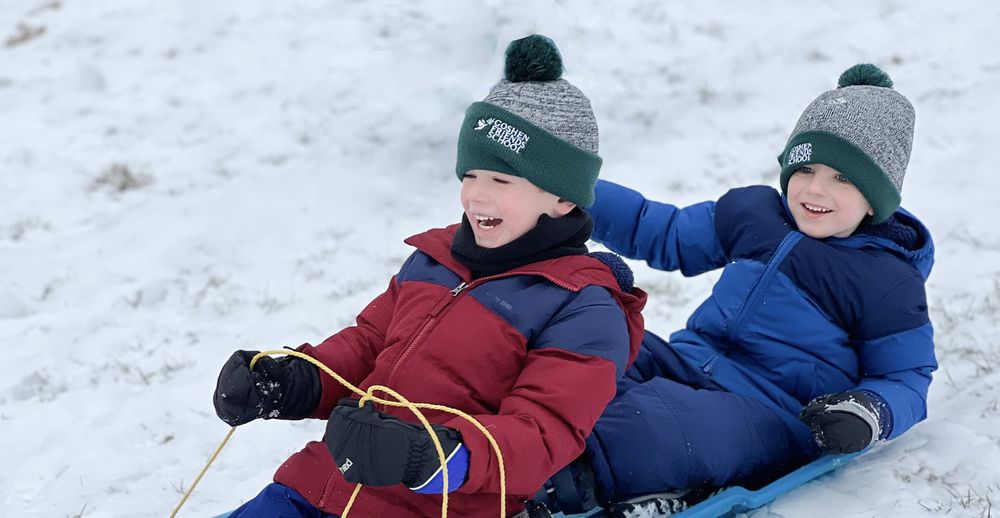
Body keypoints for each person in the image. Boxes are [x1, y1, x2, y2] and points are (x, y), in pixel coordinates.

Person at [211, 34, 646, 518]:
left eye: (501, 181)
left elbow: (543, 434)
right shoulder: (435, 258)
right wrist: (295, 380)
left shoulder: (582, 306)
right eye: (469, 176)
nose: (477, 196)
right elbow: (369, 346)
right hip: (322, 487)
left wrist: (436, 457)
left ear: (562, 198)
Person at [538, 64, 937, 517]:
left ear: (876, 197)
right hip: (685, 360)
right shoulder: (755, 215)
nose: (815, 188)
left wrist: (869, 412)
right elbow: (663, 231)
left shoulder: (886, 280)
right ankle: (513, 424)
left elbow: (906, 377)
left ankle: (560, 480)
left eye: (844, 178)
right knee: (593, 343)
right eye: (805, 168)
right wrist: (573, 188)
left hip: (771, 411)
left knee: (657, 424)